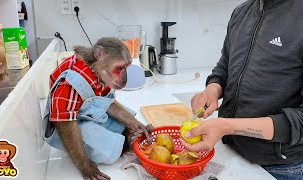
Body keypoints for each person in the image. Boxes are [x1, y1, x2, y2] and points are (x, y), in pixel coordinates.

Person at [180, 0, 303, 179]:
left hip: (279, 167)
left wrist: (227, 127)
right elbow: (224, 66)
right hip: (230, 150)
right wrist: (212, 89)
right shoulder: (241, 12)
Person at [41, 37, 153, 180]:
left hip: (87, 114)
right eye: (120, 68)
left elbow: (108, 103)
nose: (123, 77)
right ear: (99, 55)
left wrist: (136, 125)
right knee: (107, 150)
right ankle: (124, 144)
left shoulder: (101, 69)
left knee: (125, 123)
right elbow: (64, 124)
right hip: (67, 125)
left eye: (125, 68)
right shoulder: (71, 80)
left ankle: (128, 138)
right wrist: (84, 165)